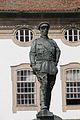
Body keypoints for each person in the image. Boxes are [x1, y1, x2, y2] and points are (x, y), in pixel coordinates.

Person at [29, 22, 61, 114]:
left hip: (51, 65)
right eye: (43, 29)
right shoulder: (36, 42)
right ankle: (43, 106)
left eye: (46, 28)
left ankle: (47, 107)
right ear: (40, 30)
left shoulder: (52, 42)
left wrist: (55, 62)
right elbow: (32, 53)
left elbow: (58, 51)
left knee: (50, 86)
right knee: (44, 83)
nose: (45, 30)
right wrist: (33, 64)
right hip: (41, 64)